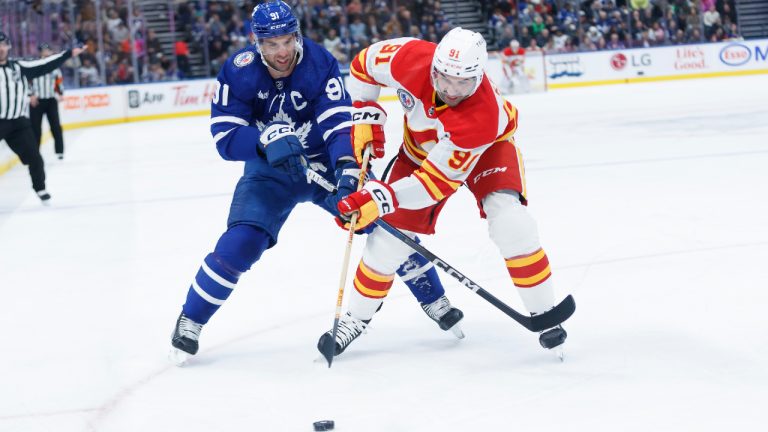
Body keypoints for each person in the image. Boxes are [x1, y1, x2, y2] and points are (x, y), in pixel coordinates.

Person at [169, 0, 463, 364]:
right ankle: (191, 319)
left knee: (384, 223)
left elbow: (339, 121)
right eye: (271, 44)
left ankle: (434, 299)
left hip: (325, 163)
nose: (282, 52)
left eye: (287, 40)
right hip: (269, 172)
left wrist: (347, 168)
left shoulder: (318, 62)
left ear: (298, 35)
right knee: (242, 241)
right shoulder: (239, 71)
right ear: (256, 42)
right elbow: (224, 136)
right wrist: (263, 140)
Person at [317, 27, 569, 357]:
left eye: (463, 82)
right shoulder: (410, 57)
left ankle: (545, 313)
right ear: (434, 65)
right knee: (386, 243)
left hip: (487, 150)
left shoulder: (482, 116)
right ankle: (356, 318)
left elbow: (434, 183)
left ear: (479, 76)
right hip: (418, 151)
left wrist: (380, 197)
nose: (450, 89)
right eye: (444, 77)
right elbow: (363, 65)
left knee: (511, 223)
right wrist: (365, 113)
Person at [0, 32, 82, 203]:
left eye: (3, 44)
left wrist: (68, 53)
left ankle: (40, 188)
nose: (0, 48)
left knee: (35, 158)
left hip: (18, 123)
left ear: (8, 46)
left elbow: (45, 64)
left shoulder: (19, 67)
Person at [29, 43, 66, 160]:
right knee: (35, 129)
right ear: (40, 52)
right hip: (37, 102)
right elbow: (27, 81)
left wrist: (60, 93)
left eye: (48, 50)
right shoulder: (34, 65)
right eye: (44, 50)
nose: (46, 52)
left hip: (51, 100)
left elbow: (58, 82)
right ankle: (35, 154)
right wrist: (31, 95)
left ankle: (60, 151)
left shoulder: (55, 67)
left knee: (56, 126)